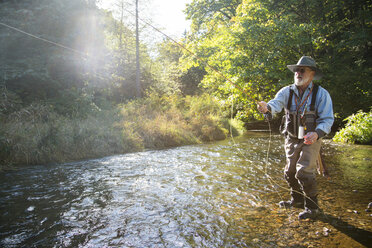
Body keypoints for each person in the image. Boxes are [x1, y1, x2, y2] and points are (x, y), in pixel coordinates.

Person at [257, 56, 334, 220]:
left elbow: (327, 120)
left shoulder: (321, 94)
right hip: (291, 137)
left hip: (311, 138)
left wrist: (317, 134)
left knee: (304, 172)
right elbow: (275, 104)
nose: (298, 73)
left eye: (302, 70)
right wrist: (266, 108)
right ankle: (297, 200)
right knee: (290, 172)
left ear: (312, 74)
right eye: (297, 70)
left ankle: (313, 208)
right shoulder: (287, 91)